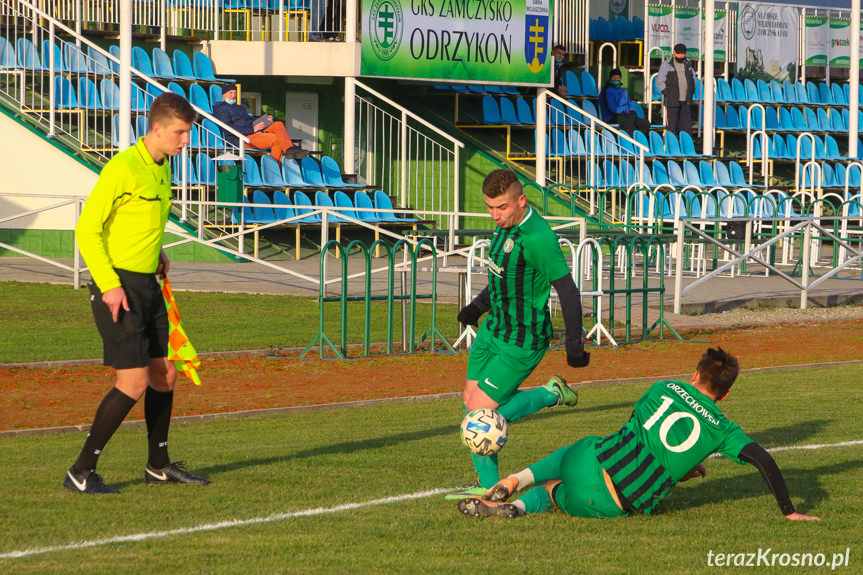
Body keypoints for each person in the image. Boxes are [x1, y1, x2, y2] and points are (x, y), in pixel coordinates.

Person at [457, 347, 820, 522]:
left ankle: (512, 480)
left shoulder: (664, 387)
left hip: (590, 459)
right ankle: (518, 507)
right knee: (554, 495)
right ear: (725, 394)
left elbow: (640, 433)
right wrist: (789, 511)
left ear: (695, 374)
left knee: (582, 450)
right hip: (614, 501)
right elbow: (763, 459)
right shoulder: (724, 429)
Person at [65, 93, 209, 494]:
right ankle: (80, 471)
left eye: (187, 133)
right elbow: (87, 230)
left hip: (149, 285)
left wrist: (157, 251)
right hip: (120, 287)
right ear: (157, 128)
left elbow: (136, 222)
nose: (185, 141)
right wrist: (109, 286)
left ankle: (158, 466)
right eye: (180, 133)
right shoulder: (123, 168)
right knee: (133, 381)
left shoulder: (163, 169)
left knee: (165, 374)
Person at [452, 169, 590, 497]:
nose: (495, 215)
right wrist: (476, 308)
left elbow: (568, 293)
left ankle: (489, 489)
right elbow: (504, 276)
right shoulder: (505, 227)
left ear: (521, 201)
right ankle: (551, 393)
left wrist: (574, 345)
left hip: (522, 340)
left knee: (479, 415)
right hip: (493, 330)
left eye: (501, 207)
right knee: (469, 403)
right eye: (490, 207)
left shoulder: (538, 238)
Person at [212, 83, 295, 162]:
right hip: (241, 138)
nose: (233, 95)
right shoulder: (221, 108)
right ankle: (275, 167)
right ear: (223, 95)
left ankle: (289, 149)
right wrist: (253, 129)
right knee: (277, 139)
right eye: (230, 93)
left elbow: (249, 119)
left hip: (252, 131)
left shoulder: (239, 107)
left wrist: (265, 119)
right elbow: (228, 128)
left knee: (278, 124)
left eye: (235, 93)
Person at [656, 43, 697, 136]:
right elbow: (660, 82)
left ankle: (685, 147)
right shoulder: (666, 64)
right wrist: (668, 93)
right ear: (674, 53)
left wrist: (691, 91)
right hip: (672, 101)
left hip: (686, 101)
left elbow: (693, 80)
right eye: (678, 53)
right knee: (672, 127)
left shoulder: (688, 64)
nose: (680, 55)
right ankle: (673, 147)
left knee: (686, 128)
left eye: (682, 53)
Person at [598, 68, 650, 136]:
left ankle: (640, 140)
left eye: (618, 77)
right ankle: (631, 143)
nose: (616, 79)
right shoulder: (607, 91)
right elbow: (612, 108)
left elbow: (629, 104)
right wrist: (624, 111)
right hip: (612, 117)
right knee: (629, 123)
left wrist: (632, 112)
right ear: (610, 78)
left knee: (644, 123)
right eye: (614, 77)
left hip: (625, 115)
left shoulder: (623, 91)